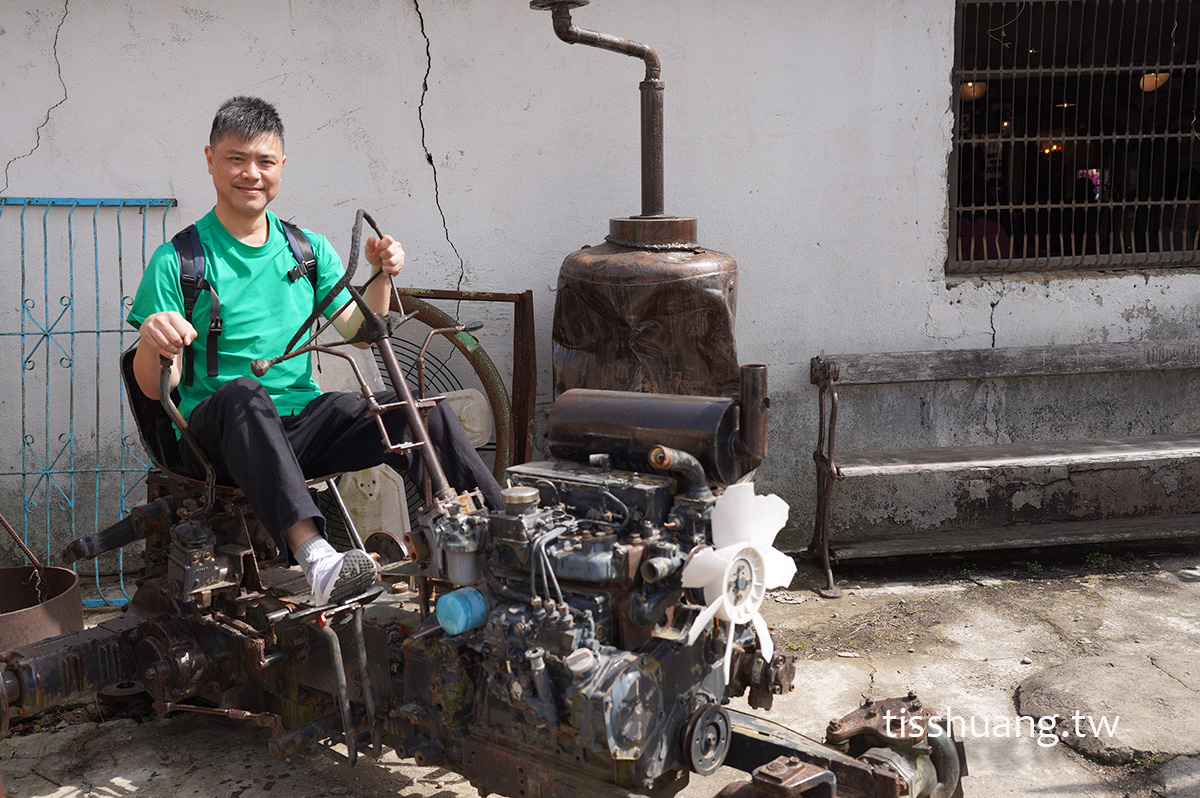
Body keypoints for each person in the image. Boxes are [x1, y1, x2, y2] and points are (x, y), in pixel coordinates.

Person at [128, 96, 503, 605]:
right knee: (245, 394)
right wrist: (153, 338)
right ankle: (319, 560)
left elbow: (360, 330)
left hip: (302, 426)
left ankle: (501, 534)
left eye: (265, 161)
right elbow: (154, 388)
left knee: (418, 413)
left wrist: (381, 274)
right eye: (236, 159)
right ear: (211, 160)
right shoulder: (179, 260)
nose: (251, 174)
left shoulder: (307, 250)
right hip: (217, 439)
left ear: (282, 166)